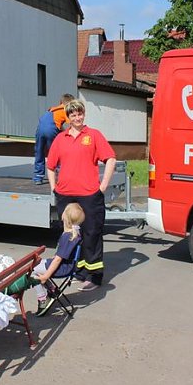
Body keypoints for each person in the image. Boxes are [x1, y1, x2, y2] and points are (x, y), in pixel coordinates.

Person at [46, 99, 116, 292]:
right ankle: (78, 271)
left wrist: (103, 186)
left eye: (80, 114)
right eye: (73, 115)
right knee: (71, 235)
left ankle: (94, 276)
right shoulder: (61, 138)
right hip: (66, 196)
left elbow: (111, 159)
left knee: (91, 233)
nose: (77, 118)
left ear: (84, 114)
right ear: (68, 117)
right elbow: (50, 165)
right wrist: (54, 188)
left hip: (89, 195)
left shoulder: (93, 135)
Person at [0, 203, 85, 316]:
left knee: (31, 271)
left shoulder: (68, 236)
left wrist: (45, 276)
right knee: (35, 265)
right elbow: (62, 256)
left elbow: (58, 260)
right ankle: (52, 288)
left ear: (65, 217)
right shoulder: (75, 233)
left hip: (62, 268)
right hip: (67, 266)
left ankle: (43, 298)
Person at [33, 93, 74, 184]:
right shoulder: (66, 110)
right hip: (51, 130)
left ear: (60, 102)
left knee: (39, 152)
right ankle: (58, 174)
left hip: (39, 130)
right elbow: (71, 125)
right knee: (54, 152)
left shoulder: (52, 109)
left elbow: (56, 123)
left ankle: (38, 177)